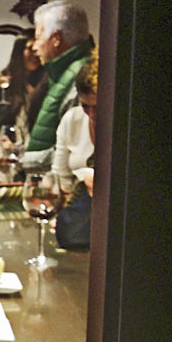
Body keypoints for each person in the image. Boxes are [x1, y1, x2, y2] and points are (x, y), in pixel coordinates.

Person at [23, 0, 95, 169]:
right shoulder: (60, 72)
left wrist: (21, 161)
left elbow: (72, 150)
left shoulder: (81, 77)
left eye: (38, 38)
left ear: (55, 39)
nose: (35, 46)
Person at [54, 52, 98, 249]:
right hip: (75, 215)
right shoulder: (72, 119)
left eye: (98, 106)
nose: (92, 114)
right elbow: (59, 175)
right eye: (85, 106)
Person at [0, 28, 44, 141]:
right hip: (5, 151)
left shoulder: (47, 80)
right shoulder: (2, 81)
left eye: (37, 49)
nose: (35, 54)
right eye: (30, 49)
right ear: (19, 51)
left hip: (36, 151)